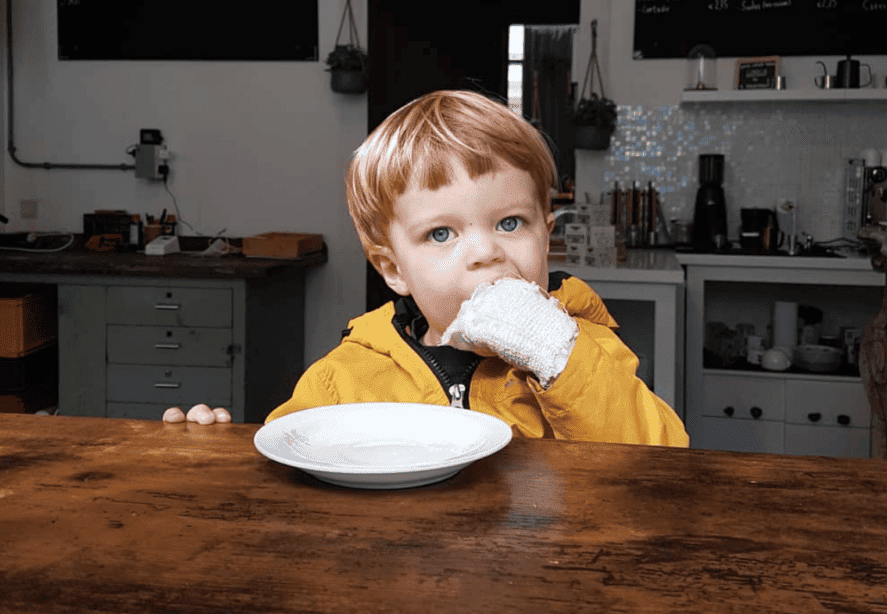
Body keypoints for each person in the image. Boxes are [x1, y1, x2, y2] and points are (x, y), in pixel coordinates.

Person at [168, 89, 688, 447]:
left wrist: (560, 358)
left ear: (546, 235)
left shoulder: (584, 351)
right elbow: (292, 471)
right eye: (442, 234)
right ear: (393, 269)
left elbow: (659, 462)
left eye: (510, 223)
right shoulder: (347, 379)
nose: (485, 252)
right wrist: (218, 455)